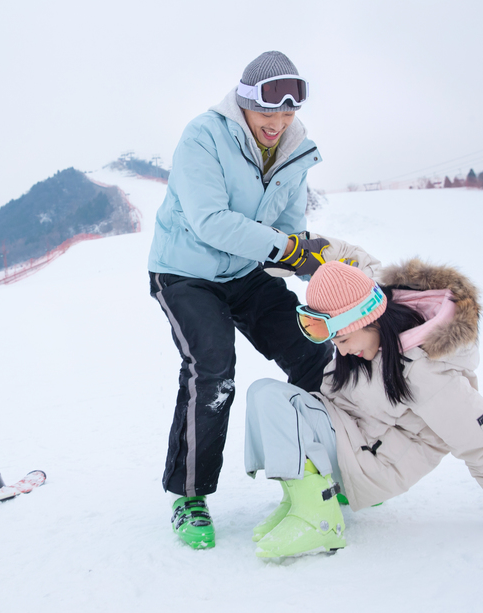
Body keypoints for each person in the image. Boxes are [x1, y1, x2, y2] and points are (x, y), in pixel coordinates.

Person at [148, 50, 377, 550]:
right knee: (213, 369)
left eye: (288, 113)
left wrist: (308, 258)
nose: (277, 122)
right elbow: (210, 221)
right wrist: (285, 247)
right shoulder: (204, 136)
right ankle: (188, 495)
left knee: (313, 354)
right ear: (244, 104)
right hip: (186, 272)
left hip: (247, 272)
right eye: (268, 112)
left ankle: (335, 468)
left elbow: (288, 229)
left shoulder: (296, 150)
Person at [244, 259, 483, 558]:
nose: (342, 351)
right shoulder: (370, 333)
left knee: (276, 399)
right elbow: (352, 262)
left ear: (370, 320)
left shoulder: (425, 370)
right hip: (347, 434)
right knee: (265, 393)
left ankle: (319, 519)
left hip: (372, 465)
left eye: (344, 339)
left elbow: (481, 441)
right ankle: (301, 499)